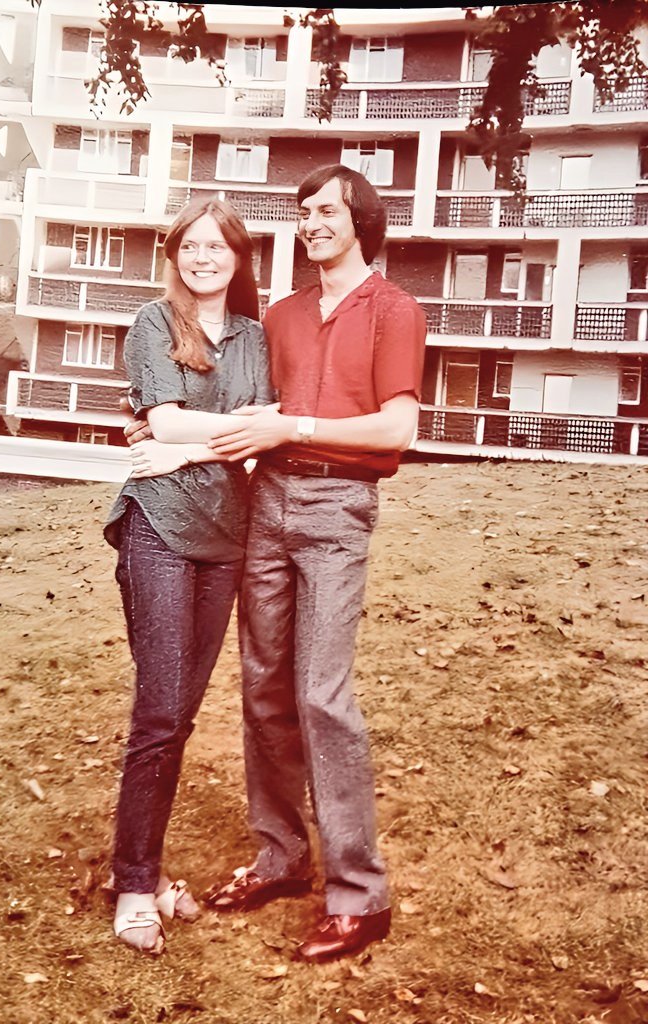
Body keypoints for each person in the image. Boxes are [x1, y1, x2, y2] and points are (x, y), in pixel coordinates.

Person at [125, 165, 427, 963]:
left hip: (337, 509)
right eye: (303, 213)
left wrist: (289, 430)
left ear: (360, 218)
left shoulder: (396, 310)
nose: (310, 223)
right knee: (262, 690)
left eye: (325, 211)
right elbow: (232, 405)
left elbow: (395, 431)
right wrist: (158, 432)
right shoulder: (280, 316)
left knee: (320, 695)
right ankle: (282, 857)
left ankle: (359, 896)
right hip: (265, 507)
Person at [103, 197, 273, 955]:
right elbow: (166, 420)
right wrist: (185, 438)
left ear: (238, 259)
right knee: (161, 714)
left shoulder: (255, 338)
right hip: (161, 528)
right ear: (175, 255)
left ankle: (140, 869)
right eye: (190, 246)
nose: (203, 258)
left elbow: (261, 439)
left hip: (227, 540)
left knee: (181, 715)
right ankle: (135, 886)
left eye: (218, 247)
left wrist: (190, 444)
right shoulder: (152, 323)